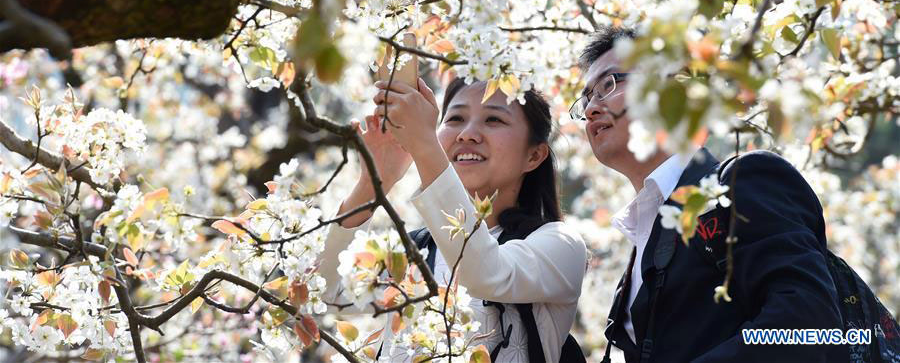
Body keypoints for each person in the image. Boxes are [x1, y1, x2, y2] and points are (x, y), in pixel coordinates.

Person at [575, 25, 845, 362]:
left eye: (608, 85)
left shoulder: (740, 182)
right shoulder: (643, 237)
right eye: (586, 99)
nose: (590, 109)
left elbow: (808, 322)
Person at [319, 76, 587, 362]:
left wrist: (423, 146)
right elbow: (332, 292)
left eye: (494, 120)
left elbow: (488, 274)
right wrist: (374, 181)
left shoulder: (560, 244)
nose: (467, 134)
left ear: (534, 156)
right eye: (456, 118)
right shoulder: (417, 250)